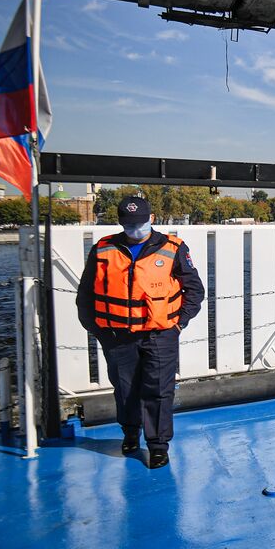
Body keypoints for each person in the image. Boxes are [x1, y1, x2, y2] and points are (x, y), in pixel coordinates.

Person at [76, 196, 204, 468]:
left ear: (152, 219)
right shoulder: (102, 249)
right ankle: (130, 433)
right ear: (121, 223)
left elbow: (194, 290)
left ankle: (158, 446)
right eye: (129, 224)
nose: (135, 229)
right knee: (124, 389)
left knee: (159, 390)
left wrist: (179, 322)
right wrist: (96, 328)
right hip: (116, 335)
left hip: (160, 334)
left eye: (141, 223)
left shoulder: (173, 248)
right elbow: (86, 292)